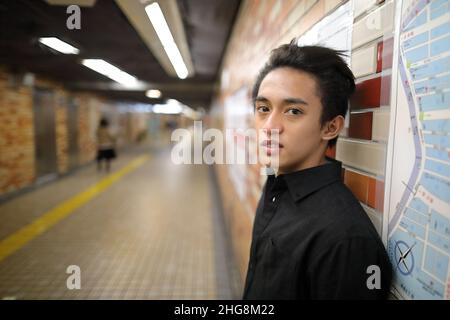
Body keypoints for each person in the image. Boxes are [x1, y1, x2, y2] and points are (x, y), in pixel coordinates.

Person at [243, 41, 392, 300]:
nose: (269, 126)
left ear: (331, 128)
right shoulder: (276, 186)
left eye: (293, 111)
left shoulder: (346, 239)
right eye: (263, 108)